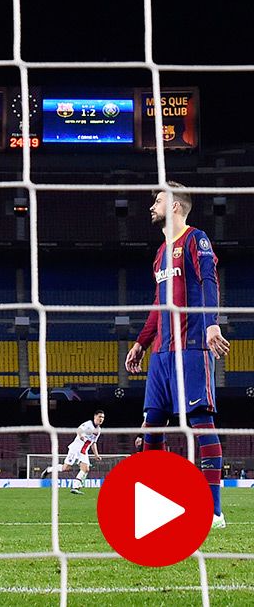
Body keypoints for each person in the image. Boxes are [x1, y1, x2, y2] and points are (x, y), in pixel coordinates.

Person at [125, 182, 229, 529]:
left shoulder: (195, 239)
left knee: (200, 424)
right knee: (151, 430)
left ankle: (214, 511)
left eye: (157, 201)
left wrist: (212, 324)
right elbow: (159, 304)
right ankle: (159, 506)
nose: (151, 207)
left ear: (175, 206)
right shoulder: (159, 253)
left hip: (191, 347)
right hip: (162, 355)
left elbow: (210, 281)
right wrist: (142, 342)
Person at [42, 410, 104, 495]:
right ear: (95, 417)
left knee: (86, 469)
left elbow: (93, 443)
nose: (101, 419)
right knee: (65, 468)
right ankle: (49, 470)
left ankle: (74, 487)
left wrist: (96, 455)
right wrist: (81, 435)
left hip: (83, 451)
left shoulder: (99, 430)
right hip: (75, 449)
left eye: (103, 417)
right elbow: (79, 430)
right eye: (99, 416)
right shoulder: (88, 424)